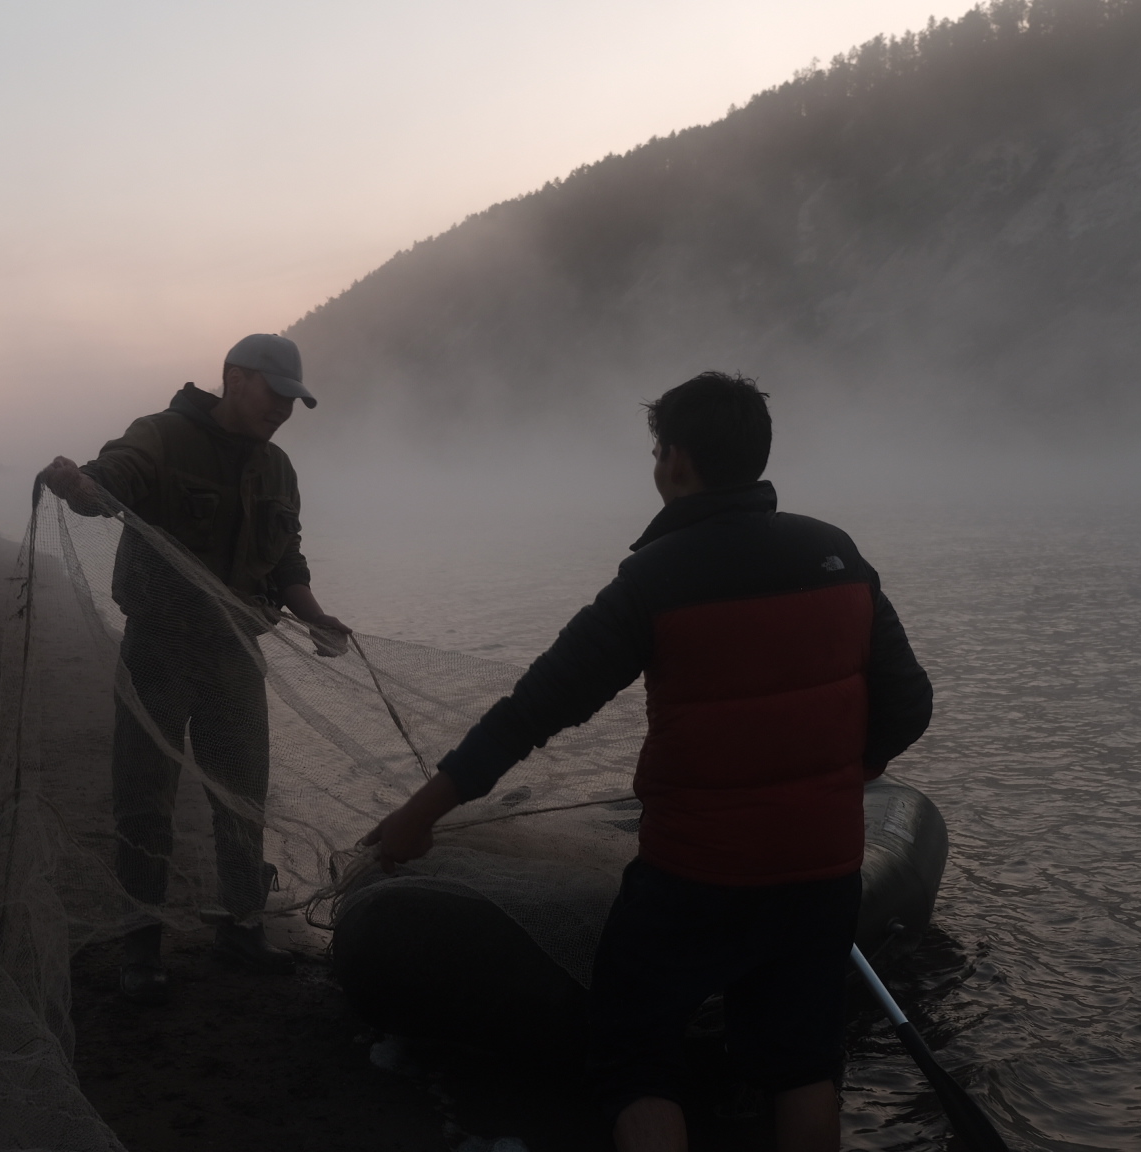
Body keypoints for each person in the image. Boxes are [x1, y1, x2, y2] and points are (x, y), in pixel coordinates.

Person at [362, 373, 932, 1152]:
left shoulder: (652, 581)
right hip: (819, 869)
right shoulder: (837, 554)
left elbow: (534, 711)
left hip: (692, 881)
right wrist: (844, 774)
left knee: (637, 1063)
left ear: (677, 464)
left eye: (658, 450)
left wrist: (417, 818)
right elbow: (909, 706)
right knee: (803, 1066)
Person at [39, 333, 350, 1004]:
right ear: (235, 378)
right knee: (143, 799)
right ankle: (141, 946)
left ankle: (240, 926)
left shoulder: (279, 469)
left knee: (243, 799)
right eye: (274, 393)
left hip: (237, 652)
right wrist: (79, 485)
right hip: (159, 648)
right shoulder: (161, 436)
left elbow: (287, 557)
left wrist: (317, 616)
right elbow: (109, 482)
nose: (283, 409)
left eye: (294, 401)